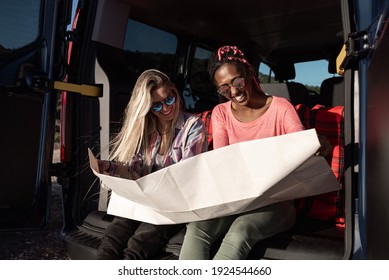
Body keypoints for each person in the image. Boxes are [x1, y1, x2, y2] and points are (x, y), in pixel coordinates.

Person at [179, 45, 305, 260]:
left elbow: (301, 148)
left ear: (249, 73)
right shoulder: (221, 113)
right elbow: (223, 162)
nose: (234, 92)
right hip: (235, 199)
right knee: (196, 229)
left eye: (237, 82)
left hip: (276, 202)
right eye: (225, 89)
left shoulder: (281, 108)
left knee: (239, 232)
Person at [96, 69, 207, 260]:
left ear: (174, 92)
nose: (166, 108)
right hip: (144, 201)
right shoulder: (146, 130)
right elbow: (134, 170)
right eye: (157, 106)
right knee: (111, 240)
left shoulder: (193, 126)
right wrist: (110, 168)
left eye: (169, 99)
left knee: (138, 246)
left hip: (174, 205)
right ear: (148, 108)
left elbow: (187, 174)